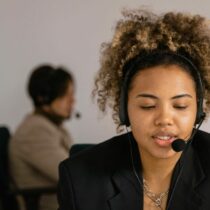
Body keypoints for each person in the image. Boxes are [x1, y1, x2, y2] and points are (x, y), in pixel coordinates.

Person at [57, 9, 210, 210]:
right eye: (148, 106)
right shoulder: (81, 179)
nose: (164, 119)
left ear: (198, 111)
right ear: (124, 108)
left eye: (180, 106)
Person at [9, 64, 75, 210]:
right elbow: (72, 174)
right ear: (43, 98)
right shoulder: (34, 131)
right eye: (65, 95)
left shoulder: (51, 125)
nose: (72, 101)